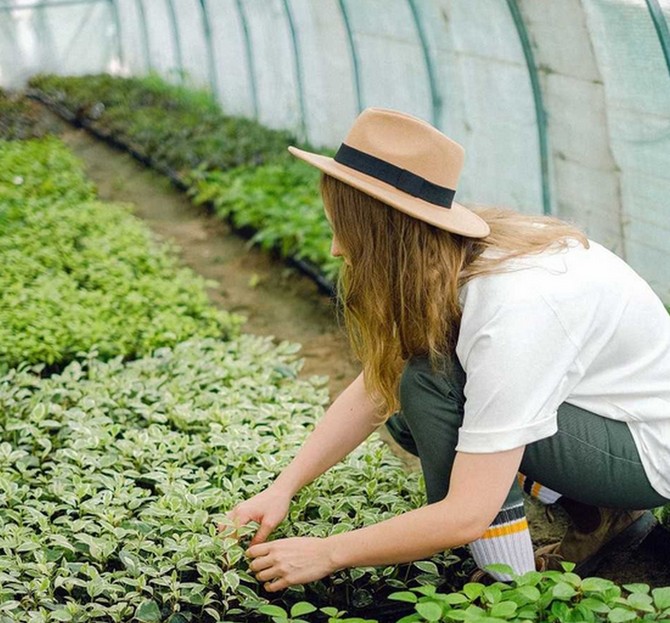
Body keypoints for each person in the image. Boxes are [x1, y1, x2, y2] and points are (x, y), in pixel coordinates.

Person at [225, 107, 670, 593]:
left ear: (385, 237)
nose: (335, 249)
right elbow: (376, 386)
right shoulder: (455, 257)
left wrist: (325, 551)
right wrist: (281, 489)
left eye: (345, 232)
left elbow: (465, 516)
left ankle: (510, 588)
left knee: (429, 385)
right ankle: (596, 513)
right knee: (408, 398)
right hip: (598, 417)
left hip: (646, 454)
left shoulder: (514, 307)